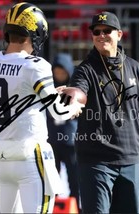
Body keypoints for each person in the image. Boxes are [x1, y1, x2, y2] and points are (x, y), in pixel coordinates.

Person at [0, 2, 84, 213]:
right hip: (30, 157)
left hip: (3, 158)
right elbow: (58, 111)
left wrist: (47, 93)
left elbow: (12, 87)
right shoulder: (35, 65)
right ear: (33, 35)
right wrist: (74, 107)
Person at [66, 11, 139, 213]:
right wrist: (72, 98)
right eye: (97, 31)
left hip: (130, 159)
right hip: (96, 162)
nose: (101, 35)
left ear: (119, 34)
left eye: (107, 31)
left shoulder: (135, 68)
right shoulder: (85, 70)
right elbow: (79, 90)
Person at [46, 53, 80, 206]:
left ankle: (76, 207)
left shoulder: (76, 88)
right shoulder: (47, 89)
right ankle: (54, 207)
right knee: (52, 180)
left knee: (75, 178)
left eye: (62, 71)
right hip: (52, 140)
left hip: (71, 141)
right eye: (57, 71)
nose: (59, 75)